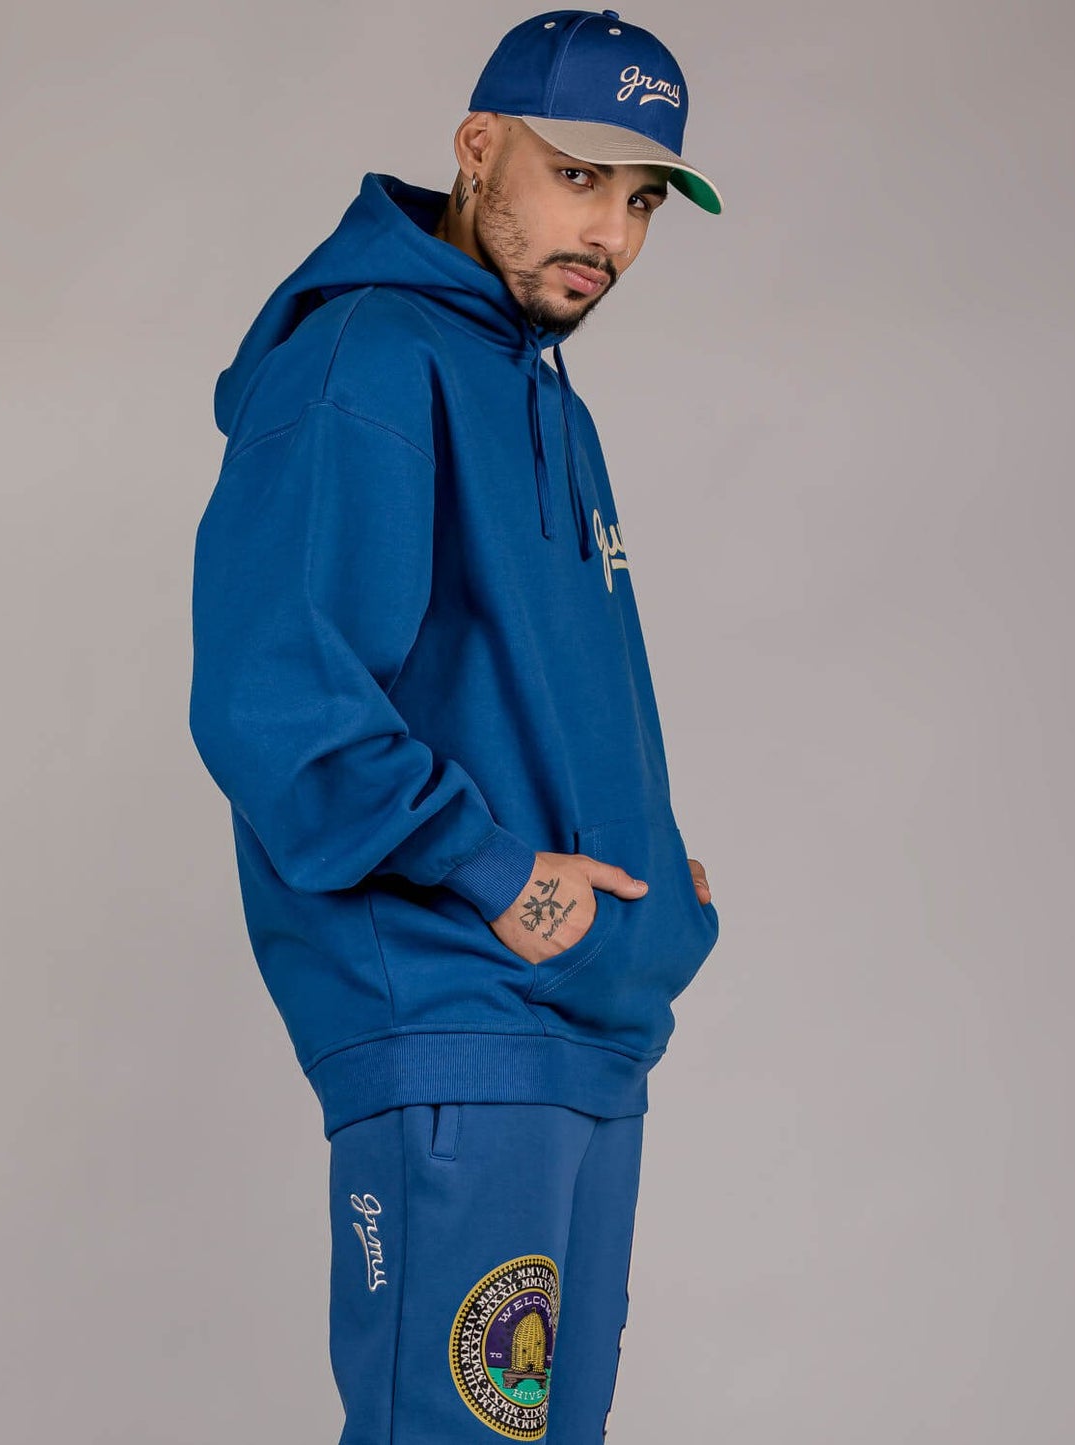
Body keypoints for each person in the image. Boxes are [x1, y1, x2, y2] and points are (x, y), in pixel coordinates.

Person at [189, 9, 724, 1440]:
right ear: (478, 148)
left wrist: (655, 880)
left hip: (589, 1029)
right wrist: (504, 877)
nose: (608, 233)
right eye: (577, 176)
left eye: (643, 199)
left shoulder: (542, 396)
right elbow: (278, 696)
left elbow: (544, 693)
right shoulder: (363, 359)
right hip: (452, 1018)